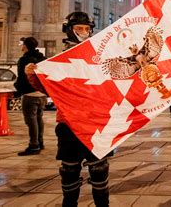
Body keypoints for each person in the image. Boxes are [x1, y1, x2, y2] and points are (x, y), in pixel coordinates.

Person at [25, 12, 111, 206]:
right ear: (69, 30)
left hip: (96, 121)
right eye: (79, 29)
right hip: (69, 122)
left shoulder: (99, 55)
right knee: (69, 170)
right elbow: (49, 89)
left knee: (99, 170)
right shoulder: (60, 59)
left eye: (87, 29)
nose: (84, 32)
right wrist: (33, 75)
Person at [14, 37, 47, 156]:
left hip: (29, 94)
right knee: (39, 118)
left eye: (22, 44)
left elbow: (22, 78)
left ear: (26, 46)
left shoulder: (24, 59)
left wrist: (17, 87)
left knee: (31, 120)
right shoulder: (43, 58)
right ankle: (40, 142)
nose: (21, 46)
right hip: (41, 94)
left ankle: (34, 145)